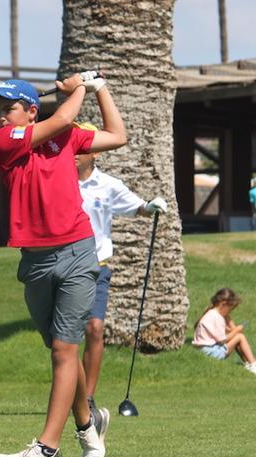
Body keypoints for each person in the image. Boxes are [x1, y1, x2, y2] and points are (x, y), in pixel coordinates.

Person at [0, 73, 125, 457]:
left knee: (64, 348)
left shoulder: (68, 136)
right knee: (62, 350)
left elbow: (117, 135)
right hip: (36, 260)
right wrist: (78, 88)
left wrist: (98, 88)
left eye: (6, 109)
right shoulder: (4, 140)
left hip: (79, 251)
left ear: (30, 109)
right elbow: (60, 121)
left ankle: (46, 449)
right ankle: (87, 423)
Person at [74, 122, 167, 425]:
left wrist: (150, 207)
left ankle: (87, 396)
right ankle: (69, 393)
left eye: (82, 146)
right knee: (63, 338)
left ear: (96, 152)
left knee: (95, 328)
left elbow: (137, 207)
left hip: (97, 266)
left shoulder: (108, 185)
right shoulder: (57, 180)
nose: (74, 151)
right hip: (66, 267)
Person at [192, 288, 256, 378]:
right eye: (230, 310)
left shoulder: (212, 314)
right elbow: (223, 340)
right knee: (240, 337)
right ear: (223, 304)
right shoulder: (216, 317)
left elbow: (228, 330)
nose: (229, 313)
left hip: (205, 350)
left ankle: (249, 364)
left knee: (237, 337)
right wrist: (236, 330)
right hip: (211, 352)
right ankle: (254, 365)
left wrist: (228, 319)